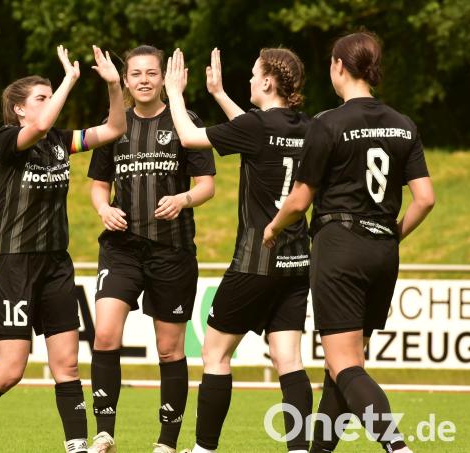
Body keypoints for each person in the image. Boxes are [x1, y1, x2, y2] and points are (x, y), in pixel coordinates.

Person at [0, 45, 126, 453]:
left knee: (67, 364)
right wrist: (70, 81)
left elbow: (114, 130)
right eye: (41, 97)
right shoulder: (6, 140)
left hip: (56, 264)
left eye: (50, 94)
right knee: (11, 370)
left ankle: (76, 446)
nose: (49, 101)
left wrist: (114, 87)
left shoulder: (61, 141)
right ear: (19, 110)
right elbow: (36, 130)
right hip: (15, 263)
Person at [263, 31, 435, 453]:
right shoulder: (403, 124)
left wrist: (273, 227)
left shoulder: (328, 123)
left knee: (344, 365)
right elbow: (426, 198)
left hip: (340, 246)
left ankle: (397, 447)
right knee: (341, 369)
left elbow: (300, 199)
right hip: (382, 250)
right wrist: (392, 233)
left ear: (339, 65)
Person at [165, 46, 312, 453]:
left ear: (267, 81)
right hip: (298, 260)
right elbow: (258, 133)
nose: (247, 81)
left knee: (215, 355)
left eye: (252, 74)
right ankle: (300, 449)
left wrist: (176, 93)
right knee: (289, 360)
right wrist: (218, 93)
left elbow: (190, 138)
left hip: (255, 259)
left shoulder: (258, 127)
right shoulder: (307, 125)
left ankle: (203, 449)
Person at [86, 44, 216, 453]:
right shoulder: (115, 124)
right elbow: (97, 185)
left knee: (169, 349)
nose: (143, 80)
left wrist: (183, 200)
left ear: (163, 78)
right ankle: (104, 432)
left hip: (171, 251)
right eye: (136, 73)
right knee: (105, 334)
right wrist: (103, 208)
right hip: (121, 249)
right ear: (125, 80)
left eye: (151, 73)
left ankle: (166, 441)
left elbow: (207, 186)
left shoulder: (184, 121)